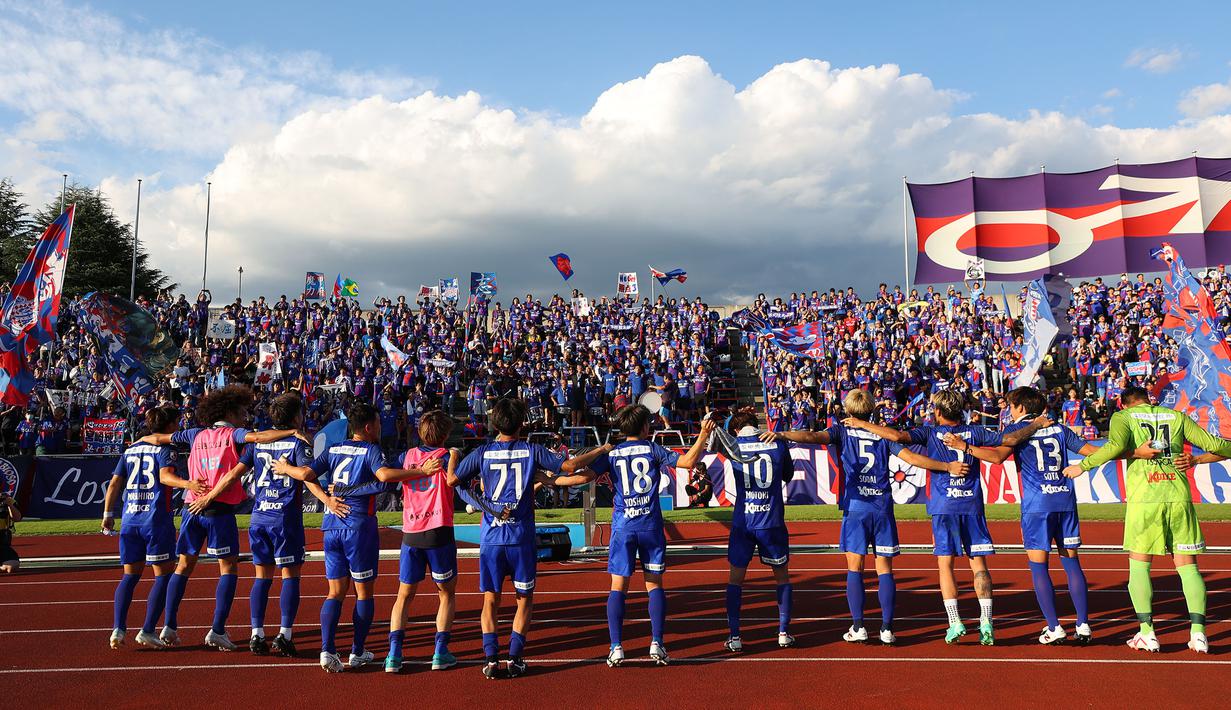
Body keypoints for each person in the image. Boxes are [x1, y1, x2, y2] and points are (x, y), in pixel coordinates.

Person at [845, 389, 1048, 646]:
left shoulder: (929, 432)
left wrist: (861, 422)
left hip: (943, 508)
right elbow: (1008, 439)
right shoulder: (975, 432)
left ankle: (955, 622)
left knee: (946, 566)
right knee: (979, 566)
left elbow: (896, 435)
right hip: (971, 505)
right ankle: (986, 620)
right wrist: (1036, 423)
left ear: (938, 412)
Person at [766, 390, 966, 645]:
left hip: (857, 507)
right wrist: (947, 466)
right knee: (885, 570)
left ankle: (859, 625)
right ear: (872, 410)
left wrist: (782, 434)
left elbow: (812, 436)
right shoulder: (882, 434)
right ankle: (887, 628)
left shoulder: (842, 430)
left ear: (848, 410)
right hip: (882, 507)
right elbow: (913, 459)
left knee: (855, 567)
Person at [272, 402, 442, 673]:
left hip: (331, 525)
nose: (380, 427)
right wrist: (422, 471)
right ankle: (358, 651)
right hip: (358, 527)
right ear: (368, 427)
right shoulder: (372, 450)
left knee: (335, 592)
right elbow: (384, 475)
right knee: (364, 592)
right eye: (377, 423)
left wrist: (284, 469)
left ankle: (327, 650)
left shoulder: (333, 448)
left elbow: (305, 474)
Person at [1063, 385, 1231, 654]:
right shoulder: (1176, 416)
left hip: (1145, 499)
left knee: (1140, 566)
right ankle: (1199, 633)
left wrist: (1081, 467)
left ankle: (1147, 633)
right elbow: (1220, 446)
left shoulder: (1123, 417)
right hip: (1178, 496)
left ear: (1124, 403)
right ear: (1148, 400)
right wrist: (1197, 460)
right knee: (1188, 566)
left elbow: (1115, 446)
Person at [453, 397, 611, 680]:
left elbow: (454, 481)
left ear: (494, 423)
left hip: (491, 537)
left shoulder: (482, 452)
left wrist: (483, 505)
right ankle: (515, 657)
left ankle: (491, 659)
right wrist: (602, 449)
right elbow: (569, 467)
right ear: (522, 424)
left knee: (491, 599)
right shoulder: (531, 450)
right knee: (524, 599)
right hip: (521, 537)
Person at [138, 384, 300, 650]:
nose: (245, 416)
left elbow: (157, 439)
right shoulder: (233, 434)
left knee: (182, 567)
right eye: (242, 411)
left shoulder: (195, 434)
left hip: (191, 508)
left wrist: (140, 441)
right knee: (228, 569)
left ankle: (169, 625)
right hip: (218, 508)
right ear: (231, 411)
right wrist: (291, 431)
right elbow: (259, 438)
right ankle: (217, 629)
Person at [553, 405, 712, 667]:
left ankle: (616, 647)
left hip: (623, 526)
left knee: (618, 588)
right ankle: (657, 643)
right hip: (650, 525)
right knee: (654, 585)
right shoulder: (652, 449)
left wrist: (548, 481)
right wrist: (703, 435)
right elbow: (687, 462)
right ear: (645, 428)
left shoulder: (613, 453)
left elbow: (581, 478)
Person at [953, 387, 1101, 645]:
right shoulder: (1059, 428)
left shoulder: (1016, 431)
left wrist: (966, 448)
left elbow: (998, 456)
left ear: (1021, 407)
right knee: (1072, 563)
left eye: (1011, 406)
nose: (1009, 411)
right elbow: (1092, 451)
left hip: (1037, 504)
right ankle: (1083, 624)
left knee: (1039, 566)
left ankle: (1054, 627)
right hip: (1065, 501)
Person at [102, 406, 203, 650]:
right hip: (155, 520)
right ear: (169, 426)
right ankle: (147, 629)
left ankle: (118, 628)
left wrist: (107, 513)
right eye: (176, 423)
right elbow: (166, 476)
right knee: (163, 575)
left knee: (130, 575)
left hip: (130, 519)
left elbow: (115, 482)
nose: (178, 427)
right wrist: (188, 483)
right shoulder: (165, 449)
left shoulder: (131, 448)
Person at [223, 392, 314, 657]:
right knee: (290, 576)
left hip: (259, 515)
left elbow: (235, 474)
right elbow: (308, 476)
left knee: (262, 578)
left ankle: (256, 633)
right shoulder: (297, 442)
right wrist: (327, 499)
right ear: (296, 417)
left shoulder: (257, 442)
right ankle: (285, 634)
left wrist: (208, 495)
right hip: (285, 518)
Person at [385, 410, 463, 674]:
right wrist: (453, 456)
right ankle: (440, 651)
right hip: (439, 531)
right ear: (445, 434)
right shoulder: (446, 457)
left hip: (411, 532)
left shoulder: (406, 457)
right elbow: (454, 481)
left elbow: (386, 474)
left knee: (404, 596)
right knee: (447, 593)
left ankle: (394, 654)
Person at [1, 486, 21, 573]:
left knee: (12, 566)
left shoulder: (8, 500)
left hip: (1, 538)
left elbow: (17, 518)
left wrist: (9, 505)